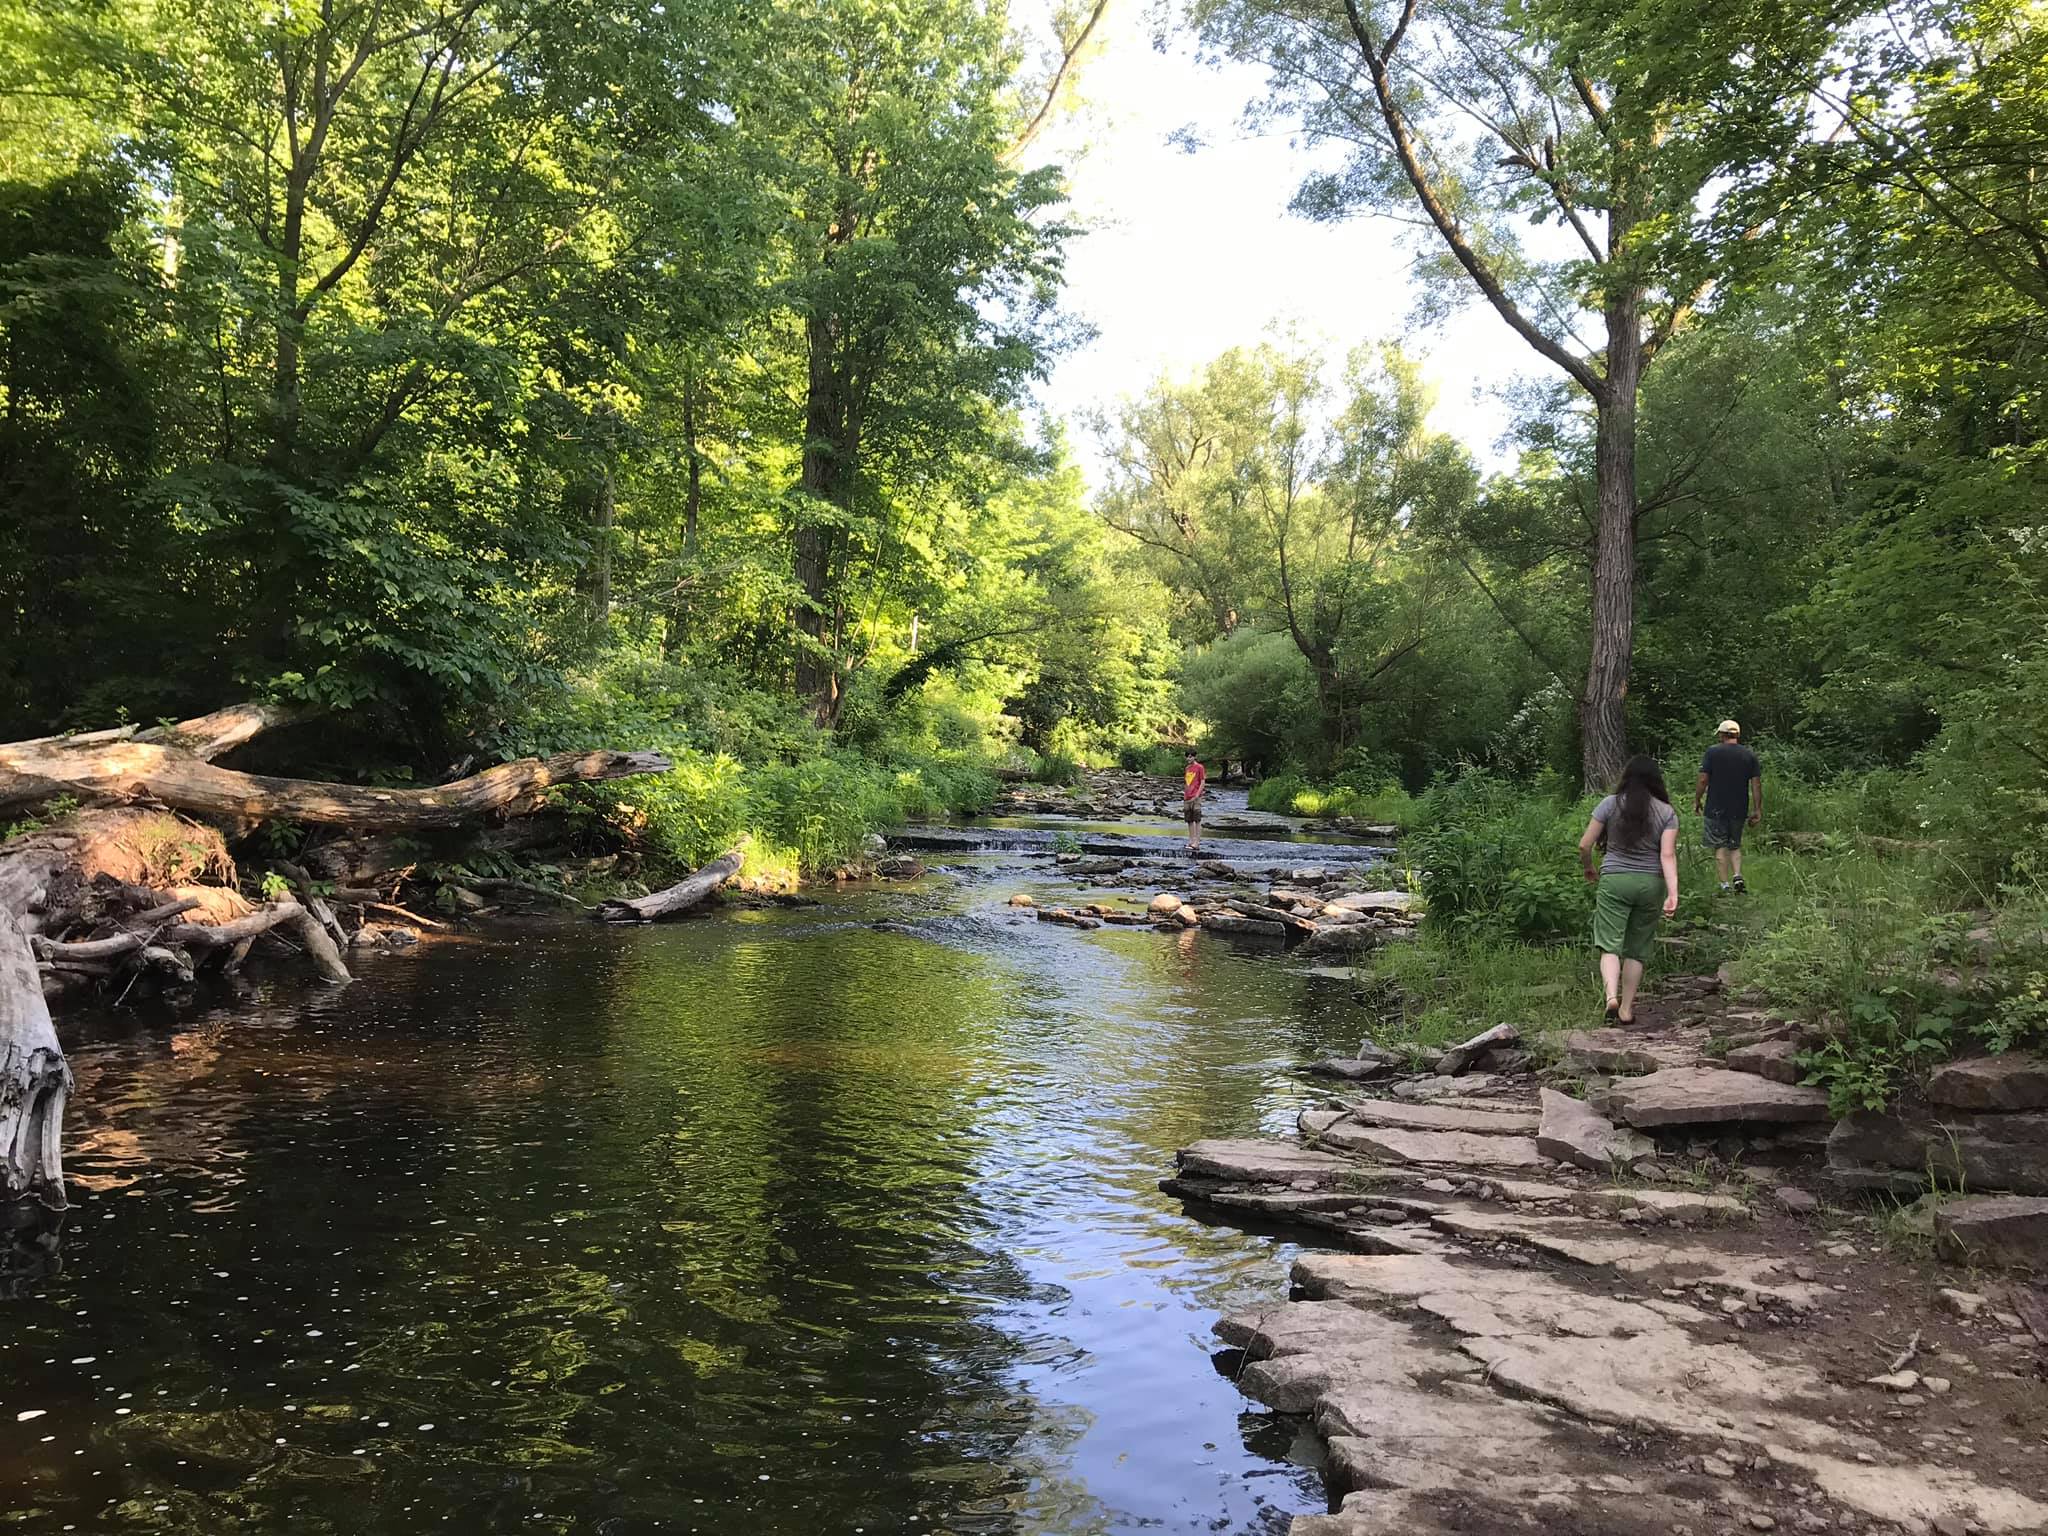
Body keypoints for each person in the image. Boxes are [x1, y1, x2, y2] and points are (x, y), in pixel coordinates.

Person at [1577, 755, 1680, 1025]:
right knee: (1637, 949)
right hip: (1650, 883)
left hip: (1615, 880)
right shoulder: (1667, 812)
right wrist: (1673, 893)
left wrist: (1589, 867)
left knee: (1609, 944)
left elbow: (1584, 845)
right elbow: (1667, 855)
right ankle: (1626, 1009)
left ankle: (1611, 996)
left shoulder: (1609, 804)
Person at [1694, 719, 1762, 893]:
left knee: (1720, 846)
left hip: (1716, 807)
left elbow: (1703, 780)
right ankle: (1737, 875)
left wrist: (1697, 800)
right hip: (1739, 807)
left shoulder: (1712, 752)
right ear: (1737, 735)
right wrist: (1757, 809)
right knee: (1735, 845)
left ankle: (1724, 885)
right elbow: (1756, 784)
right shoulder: (1749, 755)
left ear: (1722, 735)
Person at [1183, 750, 1207, 855]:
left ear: (1194, 757)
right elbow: (1187, 782)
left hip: (1196, 797)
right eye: (1187, 757)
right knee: (1189, 820)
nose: (1189, 759)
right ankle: (1191, 841)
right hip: (1187, 797)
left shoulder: (1200, 767)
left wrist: (1197, 794)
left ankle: (1197, 842)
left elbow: (1202, 781)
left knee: (1197, 819)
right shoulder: (1187, 768)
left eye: (1190, 757)